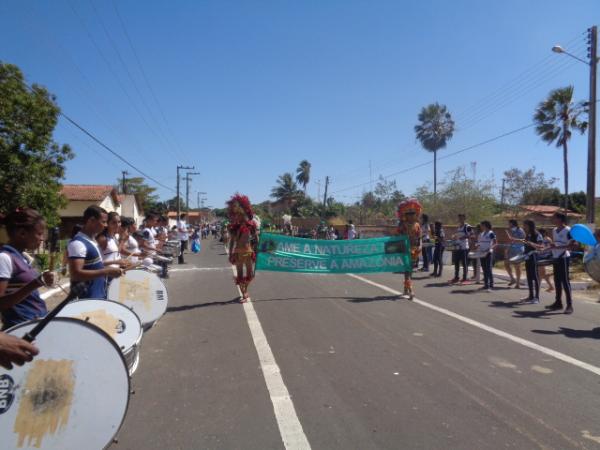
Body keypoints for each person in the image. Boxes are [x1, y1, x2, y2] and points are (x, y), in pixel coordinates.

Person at [0, 209, 56, 329]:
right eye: (39, 234)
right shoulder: (4, 258)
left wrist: (43, 280)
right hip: (20, 330)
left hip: (33, 324)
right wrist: (36, 283)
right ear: (22, 233)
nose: (42, 239)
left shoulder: (22, 257)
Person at [67, 206, 123, 299]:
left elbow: (94, 266)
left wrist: (110, 269)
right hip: (87, 299)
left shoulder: (92, 240)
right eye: (103, 222)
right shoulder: (78, 243)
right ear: (91, 220)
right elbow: (75, 275)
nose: (105, 225)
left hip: (98, 295)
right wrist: (106, 271)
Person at [227, 194, 258, 302]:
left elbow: (256, 239)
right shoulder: (233, 227)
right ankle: (244, 294)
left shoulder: (251, 225)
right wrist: (230, 254)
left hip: (249, 252)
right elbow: (231, 241)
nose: (238, 217)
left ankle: (245, 290)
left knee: (250, 274)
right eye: (237, 215)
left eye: (240, 214)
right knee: (240, 275)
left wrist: (257, 251)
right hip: (238, 253)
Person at [547, 212, 575, 314]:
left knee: (565, 281)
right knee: (557, 280)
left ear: (560, 219)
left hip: (563, 258)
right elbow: (556, 243)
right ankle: (558, 302)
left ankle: (569, 305)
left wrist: (557, 247)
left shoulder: (568, 230)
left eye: (554, 218)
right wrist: (552, 245)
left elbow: (572, 246)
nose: (552, 219)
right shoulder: (554, 230)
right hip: (556, 257)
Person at [396, 199, 422, 299]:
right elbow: (397, 236)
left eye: (413, 214)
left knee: (409, 270)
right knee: (407, 269)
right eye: (409, 214)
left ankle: (406, 288)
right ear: (405, 216)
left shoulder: (417, 225)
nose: (411, 216)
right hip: (405, 249)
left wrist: (420, 246)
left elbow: (419, 237)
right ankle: (410, 289)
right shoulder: (402, 225)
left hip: (414, 250)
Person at [519, 219, 543, 304]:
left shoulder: (537, 234)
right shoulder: (527, 235)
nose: (523, 227)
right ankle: (530, 296)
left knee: (535, 276)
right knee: (529, 276)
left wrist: (531, 243)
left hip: (534, 256)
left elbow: (541, 246)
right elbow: (526, 244)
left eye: (525, 225)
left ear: (530, 226)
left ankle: (537, 297)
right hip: (527, 257)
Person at [450, 214, 472, 284]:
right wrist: (454, 236)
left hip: (464, 248)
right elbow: (458, 235)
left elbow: (471, 234)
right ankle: (456, 277)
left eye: (461, 218)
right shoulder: (459, 226)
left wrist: (462, 238)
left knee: (464, 263)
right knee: (456, 263)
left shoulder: (467, 226)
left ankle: (465, 278)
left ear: (464, 218)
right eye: (459, 218)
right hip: (458, 247)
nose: (460, 219)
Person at [476, 221, 497, 292]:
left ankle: (491, 284)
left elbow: (495, 243)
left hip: (488, 253)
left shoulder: (491, 233)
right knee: (484, 268)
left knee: (488, 268)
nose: (481, 227)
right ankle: (486, 284)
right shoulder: (481, 234)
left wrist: (490, 248)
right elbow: (479, 243)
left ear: (485, 225)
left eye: (482, 225)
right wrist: (477, 246)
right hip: (482, 253)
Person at [505, 220, 525, 289]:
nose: (508, 224)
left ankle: (518, 283)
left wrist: (514, 239)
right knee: (506, 264)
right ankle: (512, 279)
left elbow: (523, 239)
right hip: (511, 249)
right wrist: (507, 249)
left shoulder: (520, 230)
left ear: (512, 223)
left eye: (509, 223)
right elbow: (509, 241)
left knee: (517, 267)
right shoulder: (510, 230)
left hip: (518, 249)